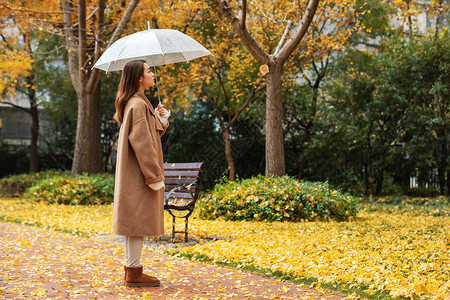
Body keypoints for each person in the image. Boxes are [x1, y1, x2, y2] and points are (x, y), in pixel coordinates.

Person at [113, 60, 170, 287]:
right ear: (139, 77)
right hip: (139, 175)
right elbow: (143, 144)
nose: (153, 74)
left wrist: (161, 119)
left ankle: (132, 269)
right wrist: (154, 175)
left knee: (133, 224)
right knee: (136, 223)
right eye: (148, 71)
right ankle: (134, 272)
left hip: (135, 174)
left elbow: (150, 134)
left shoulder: (137, 103)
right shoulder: (137, 105)